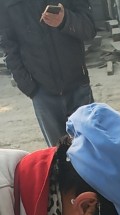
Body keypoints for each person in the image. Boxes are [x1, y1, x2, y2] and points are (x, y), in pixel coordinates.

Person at [0, 0, 96, 146]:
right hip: (43, 93)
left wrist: (65, 20)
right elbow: (8, 46)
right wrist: (29, 88)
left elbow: (89, 29)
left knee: (92, 148)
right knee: (59, 155)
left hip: (78, 87)